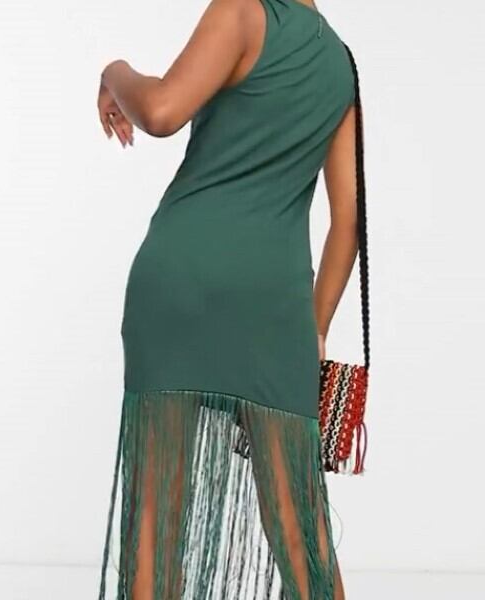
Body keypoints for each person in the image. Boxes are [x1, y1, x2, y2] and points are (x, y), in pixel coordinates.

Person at [96, 0, 362, 598]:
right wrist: (314, 328)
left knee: (156, 515)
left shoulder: (242, 11)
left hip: (180, 276)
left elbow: (160, 111)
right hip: (275, 302)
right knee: (302, 529)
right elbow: (349, 220)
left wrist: (114, 72)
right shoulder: (339, 63)